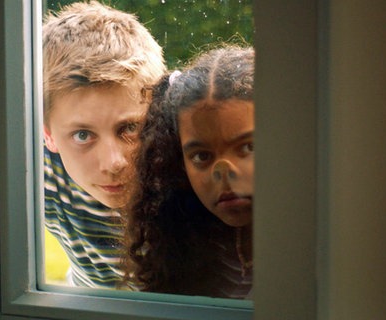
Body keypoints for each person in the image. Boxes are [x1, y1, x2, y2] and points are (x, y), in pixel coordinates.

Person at [42, 1, 166, 288]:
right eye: (83, 135)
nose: (114, 163)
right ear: (47, 134)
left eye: (130, 128)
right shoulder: (32, 172)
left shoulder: (189, 166)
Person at [123, 46, 254, 299]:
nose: (225, 173)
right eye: (202, 156)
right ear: (179, 162)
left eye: (248, 147)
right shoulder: (175, 243)